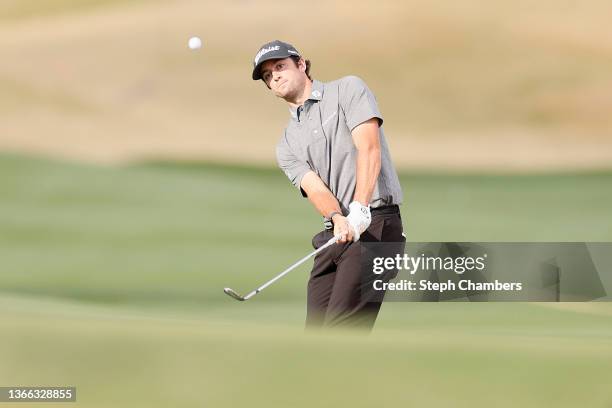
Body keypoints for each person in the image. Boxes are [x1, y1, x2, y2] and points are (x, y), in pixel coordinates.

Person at [251, 40, 405, 330]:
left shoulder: (347, 90)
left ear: (302, 64)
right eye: (268, 76)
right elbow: (316, 189)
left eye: (280, 66)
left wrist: (360, 207)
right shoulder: (286, 144)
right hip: (337, 234)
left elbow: (369, 148)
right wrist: (336, 217)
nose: (276, 76)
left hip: (375, 225)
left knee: (341, 332)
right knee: (316, 335)